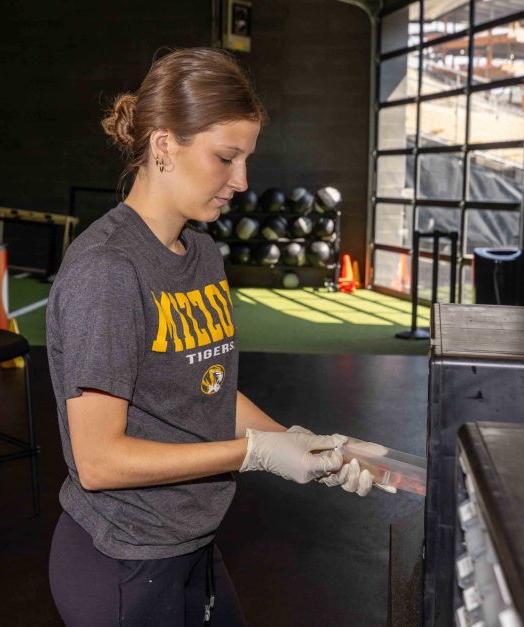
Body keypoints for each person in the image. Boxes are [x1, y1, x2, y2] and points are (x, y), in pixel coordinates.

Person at [46, 47, 378, 627]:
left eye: (246, 159)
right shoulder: (108, 270)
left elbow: (207, 390)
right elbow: (98, 461)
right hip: (123, 558)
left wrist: (303, 443)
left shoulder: (200, 252)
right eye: (226, 157)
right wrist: (257, 455)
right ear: (163, 145)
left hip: (192, 544)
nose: (241, 181)